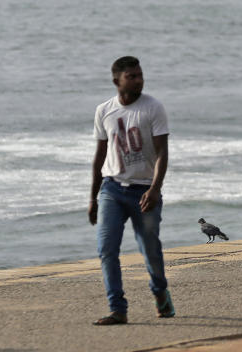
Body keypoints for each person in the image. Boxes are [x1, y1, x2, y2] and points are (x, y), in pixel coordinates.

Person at [88, 56, 174, 325]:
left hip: (144, 191)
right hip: (111, 189)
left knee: (149, 249)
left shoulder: (153, 108)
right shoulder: (104, 110)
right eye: (132, 76)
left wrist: (155, 189)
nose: (139, 80)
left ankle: (160, 292)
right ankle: (118, 309)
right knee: (107, 249)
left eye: (140, 75)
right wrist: (93, 197)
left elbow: (162, 152)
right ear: (117, 81)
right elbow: (100, 154)